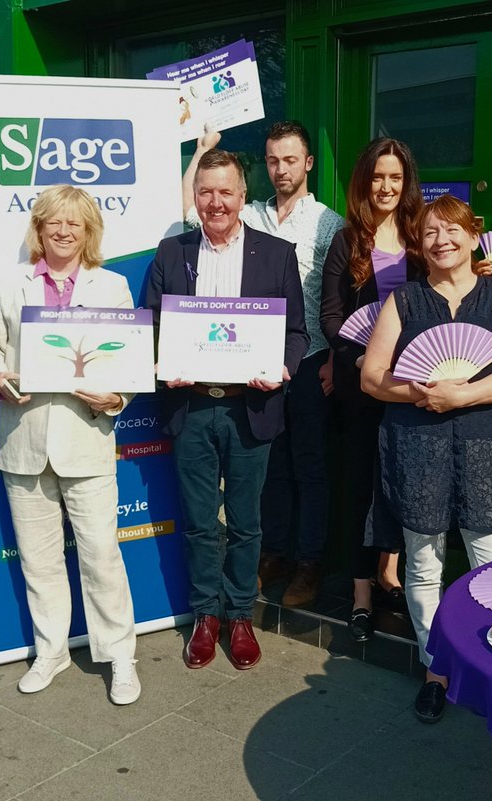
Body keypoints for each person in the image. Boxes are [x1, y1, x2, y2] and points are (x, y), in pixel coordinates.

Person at [0, 184, 140, 705]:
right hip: (24, 441)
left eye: (75, 224)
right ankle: (52, 650)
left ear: (89, 231)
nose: (63, 231)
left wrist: (116, 397)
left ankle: (120, 657)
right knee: (39, 561)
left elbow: (127, 363)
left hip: (86, 437)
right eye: (53, 223)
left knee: (101, 556)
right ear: (38, 229)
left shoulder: (111, 286)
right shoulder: (9, 281)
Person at [361, 195, 492, 723]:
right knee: (425, 564)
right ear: (420, 243)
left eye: (452, 230)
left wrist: (461, 395)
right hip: (419, 447)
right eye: (431, 232)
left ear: (473, 236)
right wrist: (418, 394)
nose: (442, 240)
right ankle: (437, 670)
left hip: (484, 446)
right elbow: (371, 376)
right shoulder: (404, 302)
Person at [148, 148, 308, 670]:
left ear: (243, 196)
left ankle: (239, 614)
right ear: (195, 198)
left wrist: (281, 369)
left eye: (225, 192)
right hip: (191, 407)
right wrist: (160, 363)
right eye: (206, 192)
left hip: (250, 408)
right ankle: (205, 617)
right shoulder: (172, 252)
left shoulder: (277, 253)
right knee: (197, 521)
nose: (215, 202)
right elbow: (150, 326)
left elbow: (296, 334)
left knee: (246, 523)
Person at [183, 122, 343, 607]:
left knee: (311, 466)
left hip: (310, 360)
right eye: (273, 160)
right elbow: (191, 209)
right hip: (249, 365)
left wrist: (336, 356)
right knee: (268, 466)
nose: (281, 169)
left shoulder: (328, 222)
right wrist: (202, 151)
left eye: (290, 160)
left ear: (308, 163)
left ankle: (309, 563)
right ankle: (272, 553)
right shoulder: (248, 213)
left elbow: (342, 296)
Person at [319, 137, 425, 641]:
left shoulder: (423, 237)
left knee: (402, 484)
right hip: (362, 391)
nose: (386, 187)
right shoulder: (348, 240)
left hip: (412, 387)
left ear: (407, 185)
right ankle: (361, 596)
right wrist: (361, 359)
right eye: (378, 177)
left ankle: (393, 575)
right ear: (365, 181)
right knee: (360, 488)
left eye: (395, 178)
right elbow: (332, 316)